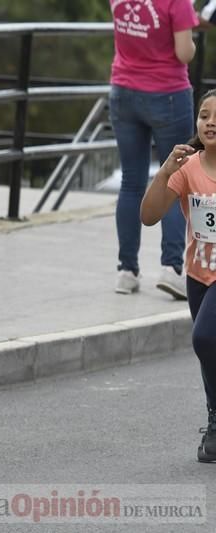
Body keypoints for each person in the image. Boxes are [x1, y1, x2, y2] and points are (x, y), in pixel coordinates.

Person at [140, 88, 216, 462]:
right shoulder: (186, 168)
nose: (211, 122)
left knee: (204, 337)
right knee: (209, 349)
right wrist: (165, 170)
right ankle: (215, 422)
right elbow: (149, 215)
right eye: (204, 115)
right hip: (197, 274)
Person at [109, 0, 199, 299]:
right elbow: (184, 53)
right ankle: (171, 269)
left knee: (131, 182)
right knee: (175, 178)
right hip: (168, 93)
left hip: (123, 89)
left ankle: (126, 270)